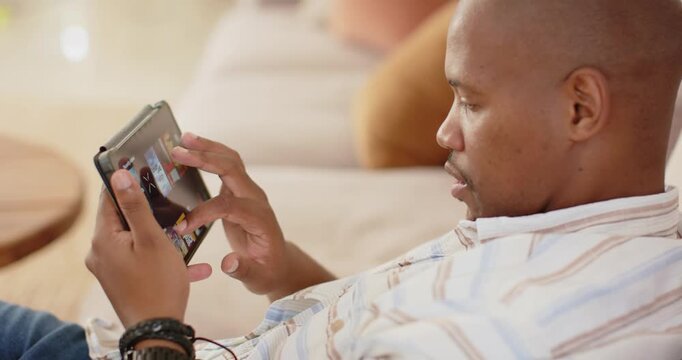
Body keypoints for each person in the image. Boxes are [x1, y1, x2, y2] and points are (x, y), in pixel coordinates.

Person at [2, 0, 681, 358]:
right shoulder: (594, 234)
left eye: (470, 101)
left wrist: (152, 325)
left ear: (581, 107)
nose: (445, 133)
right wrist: (285, 268)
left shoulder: (529, 334)